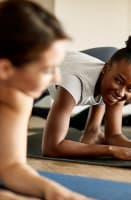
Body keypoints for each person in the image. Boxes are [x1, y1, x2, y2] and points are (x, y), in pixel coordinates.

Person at [0, 0, 90, 199]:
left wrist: (59, 194)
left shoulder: (19, 95)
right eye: (47, 70)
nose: (57, 78)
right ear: (5, 68)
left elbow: (11, 166)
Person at [42, 31, 131, 161]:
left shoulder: (120, 89)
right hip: (41, 65)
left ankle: (93, 132)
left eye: (130, 88)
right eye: (119, 81)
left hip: (88, 64)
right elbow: (51, 147)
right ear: (105, 68)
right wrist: (111, 150)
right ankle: (92, 131)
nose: (121, 93)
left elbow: (114, 135)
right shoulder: (73, 83)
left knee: (109, 91)